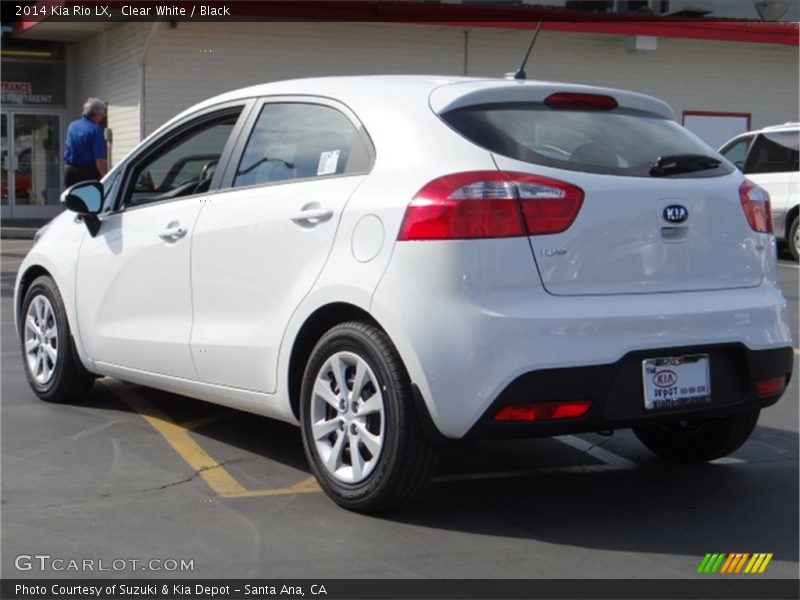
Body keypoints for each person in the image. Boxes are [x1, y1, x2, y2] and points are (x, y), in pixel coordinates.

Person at [64, 98, 108, 188]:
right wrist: (105, 177)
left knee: (71, 200)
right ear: (96, 114)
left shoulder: (72, 126)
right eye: (102, 114)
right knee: (89, 201)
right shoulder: (95, 129)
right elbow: (99, 159)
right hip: (86, 173)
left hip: (70, 171)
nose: (102, 117)